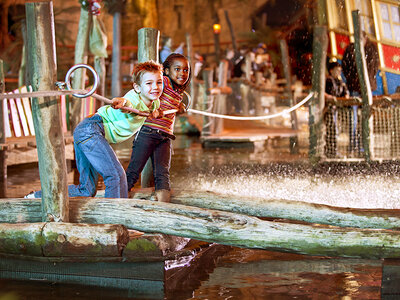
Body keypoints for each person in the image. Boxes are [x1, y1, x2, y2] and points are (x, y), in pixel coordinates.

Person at [25, 61, 163, 199]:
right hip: (91, 130)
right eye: (149, 83)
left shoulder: (154, 102)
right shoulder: (133, 98)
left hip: (85, 132)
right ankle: (114, 217)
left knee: (87, 189)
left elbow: (156, 109)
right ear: (137, 88)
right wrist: (122, 102)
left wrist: (157, 112)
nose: (155, 87)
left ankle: (35, 196)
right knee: (115, 174)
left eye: (159, 82)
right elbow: (126, 102)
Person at [125, 53, 190, 203]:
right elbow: (145, 94)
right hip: (147, 132)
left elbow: (169, 109)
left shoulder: (178, 91)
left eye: (185, 70)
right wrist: (154, 108)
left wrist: (179, 107)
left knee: (162, 173)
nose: (182, 73)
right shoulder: (163, 82)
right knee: (134, 171)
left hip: (165, 136)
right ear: (166, 71)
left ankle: (164, 208)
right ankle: (118, 203)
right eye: (177, 69)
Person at [342, 32, 379, 153]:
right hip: (354, 87)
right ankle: (353, 145)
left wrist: (367, 79)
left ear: (365, 38)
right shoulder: (350, 49)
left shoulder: (371, 49)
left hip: (366, 88)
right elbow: (345, 66)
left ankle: (366, 144)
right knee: (353, 118)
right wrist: (353, 79)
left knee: (366, 116)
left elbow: (374, 67)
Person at [324, 61, 349, 158]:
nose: (339, 72)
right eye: (337, 70)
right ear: (331, 70)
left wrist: (346, 95)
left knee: (335, 130)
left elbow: (345, 92)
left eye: (340, 71)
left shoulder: (340, 82)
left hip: (337, 109)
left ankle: (333, 150)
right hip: (329, 108)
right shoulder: (328, 80)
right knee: (331, 129)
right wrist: (329, 97)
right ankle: (330, 151)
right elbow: (322, 92)